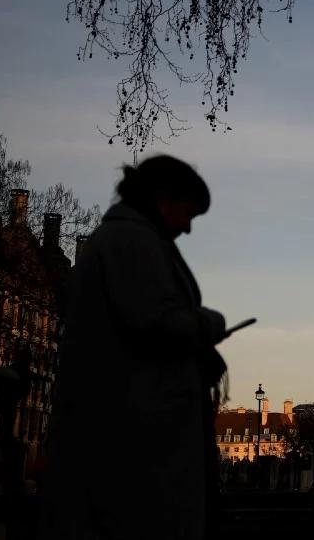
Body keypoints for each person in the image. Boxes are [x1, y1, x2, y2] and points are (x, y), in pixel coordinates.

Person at [40, 156, 229, 540]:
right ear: (163, 199)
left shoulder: (126, 239)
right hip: (135, 449)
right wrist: (209, 324)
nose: (188, 228)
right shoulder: (131, 241)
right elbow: (155, 322)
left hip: (131, 440)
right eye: (187, 213)